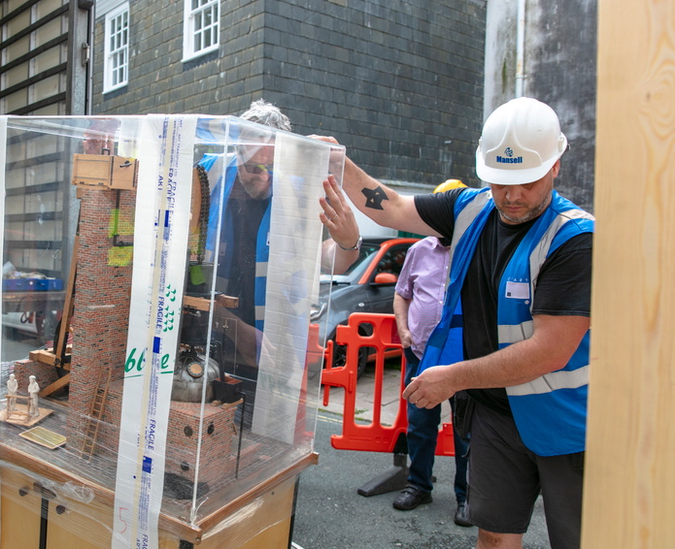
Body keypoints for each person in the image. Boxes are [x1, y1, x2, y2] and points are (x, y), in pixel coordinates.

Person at [313, 97, 593, 549]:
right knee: (494, 535)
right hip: (497, 416)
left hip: (567, 422)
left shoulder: (574, 239)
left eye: (526, 180)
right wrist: (341, 165)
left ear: (556, 165)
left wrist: (454, 377)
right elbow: (394, 207)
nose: (513, 195)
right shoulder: (470, 208)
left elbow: (550, 350)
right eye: (501, 181)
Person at [196, 99, 361, 401]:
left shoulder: (297, 189)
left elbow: (328, 261)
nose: (265, 177)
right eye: (254, 167)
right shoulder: (209, 177)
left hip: (272, 351)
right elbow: (183, 268)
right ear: (237, 150)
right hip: (209, 341)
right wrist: (234, 328)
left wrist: (349, 242)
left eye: (273, 167)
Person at [391, 179, 472, 527]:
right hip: (421, 355)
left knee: (466, 432)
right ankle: (418, 485)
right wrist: (404, 329)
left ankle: (467, 497)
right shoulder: (418, 250)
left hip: (464, 359)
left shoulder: (475, 248)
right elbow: (402, 293)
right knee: (421, 426)